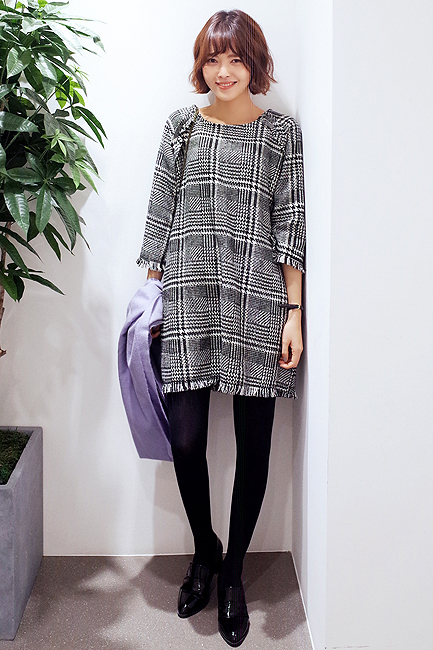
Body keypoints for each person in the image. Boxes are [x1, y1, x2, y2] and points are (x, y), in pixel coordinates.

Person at [137, 9, 305, 647]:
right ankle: (204, 549)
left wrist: (294, 313)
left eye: (235, 59)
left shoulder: (280, 133)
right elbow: (160, 211)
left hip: (256, 301)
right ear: (200, 65)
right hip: (187, 299)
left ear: (254, 62)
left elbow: (290, 223)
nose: (223, 71)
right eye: (213, 59)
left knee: (255, 446)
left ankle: (232, 573)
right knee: (185, 443)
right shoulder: (181, 126)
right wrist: (151, 303)